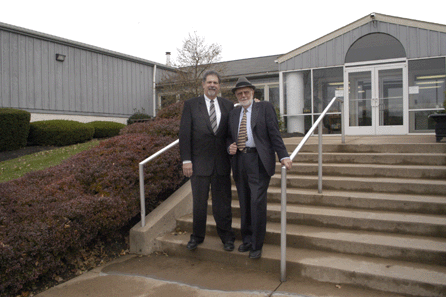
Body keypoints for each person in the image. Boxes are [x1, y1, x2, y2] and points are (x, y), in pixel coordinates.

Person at [228, 77, 292, 259]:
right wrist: (229, 147)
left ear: (253, 93)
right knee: (244, 202)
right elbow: (227, 137)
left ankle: (257, 244)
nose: (243, 95)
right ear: (236, 96)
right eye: (239, 93)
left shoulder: (264, 108)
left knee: (256, 203)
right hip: (240, 160)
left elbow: (274, 133)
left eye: (246, 92)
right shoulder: (233, 114)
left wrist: (284, 155)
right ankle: (247, 240)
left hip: (258, 160)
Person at [179, 70, 236, 252]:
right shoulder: (191, 105)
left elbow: (230, 134)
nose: (213, 85)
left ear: (219, 86)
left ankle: (227, 237)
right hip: (198, 164)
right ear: (203, 84)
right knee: (199, 204)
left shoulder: (228, 105)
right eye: (209, 82)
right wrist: (186, 160)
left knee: (223, 204)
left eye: (216, 83)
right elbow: (184, 134)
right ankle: (197, 236)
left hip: (221, 164)